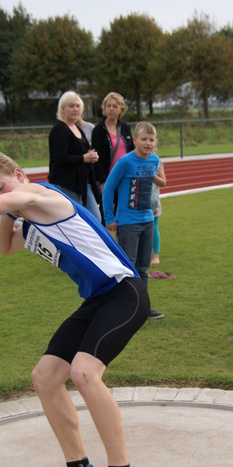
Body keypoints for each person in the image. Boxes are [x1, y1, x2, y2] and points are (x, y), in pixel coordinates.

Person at [0, 151, 150, 467]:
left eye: (1, 186)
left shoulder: (44, 197)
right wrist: (6, 214)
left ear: (19, 175)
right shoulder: (28, 220)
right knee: (44, 377)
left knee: (84, 373)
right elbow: (5, 247)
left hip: (125, 292)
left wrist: (0, 204)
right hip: (96, 300)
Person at [102, 121, 164, 320]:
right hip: (128, 223)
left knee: (143, 267)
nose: (148, 143)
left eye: (151, 139)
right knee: (128, 267)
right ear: (135, 140)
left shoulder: (154, 161)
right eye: (144, 139)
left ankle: (142, 308)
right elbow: (108, 189)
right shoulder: (125, 162)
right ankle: (125, 306)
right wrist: (110, 218)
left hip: (148, 220)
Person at [48, 91, 102, 222]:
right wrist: (84, 158)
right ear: (63, 108)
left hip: (83, 183)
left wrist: (91, 156)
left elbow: (81, 152)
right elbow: (60, 157)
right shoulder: (60, 129)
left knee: (95, 219)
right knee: (74, 221)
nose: (75, 109)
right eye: (71, 106)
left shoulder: (77, 128)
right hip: (66, 184)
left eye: (78, 106)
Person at [92, 92, 135, 222]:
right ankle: (102, 242)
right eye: (108, 106)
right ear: (104, 108)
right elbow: (96, 159)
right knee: (105, 216)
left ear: (121, 109)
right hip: (109, 179)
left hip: (125, 179)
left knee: (123, 216)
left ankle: (119, 242)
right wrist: (103, 181)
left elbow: (132, 151)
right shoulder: (98, 131)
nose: (111, 109)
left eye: (115, 106)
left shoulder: (125, 128)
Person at [151, 140, 167, 265]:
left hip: (153, 201)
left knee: (154, 227)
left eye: (155, 149)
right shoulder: (135, 162)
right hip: (138, 202)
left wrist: (152, 175)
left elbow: (163, 182)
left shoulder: (157, 163)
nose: (153, 151)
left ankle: (156, 255)